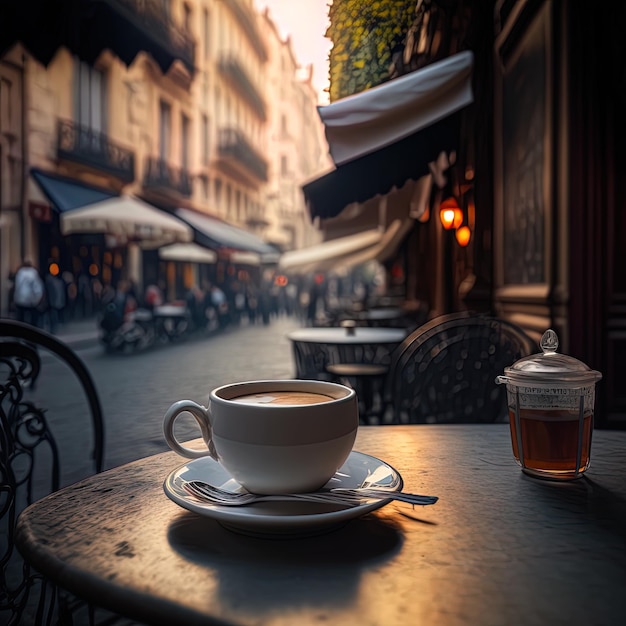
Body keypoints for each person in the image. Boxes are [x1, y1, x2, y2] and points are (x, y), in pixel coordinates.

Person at [12, 259, 45, 327]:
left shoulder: (20, 273)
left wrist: (15, 298)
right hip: (31, 300)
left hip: (20, 299)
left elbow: (17, 286)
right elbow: (37, 287)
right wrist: (38, 298)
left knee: (21, 319)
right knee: (33, 318)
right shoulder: (34, 272)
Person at [44, 266, 67, 333]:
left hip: (54, 301)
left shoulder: (57, 280)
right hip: (52, 302)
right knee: (52, 316)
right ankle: (53, 328)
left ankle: (53, 328)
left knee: (53, 315)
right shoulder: (50, 280)